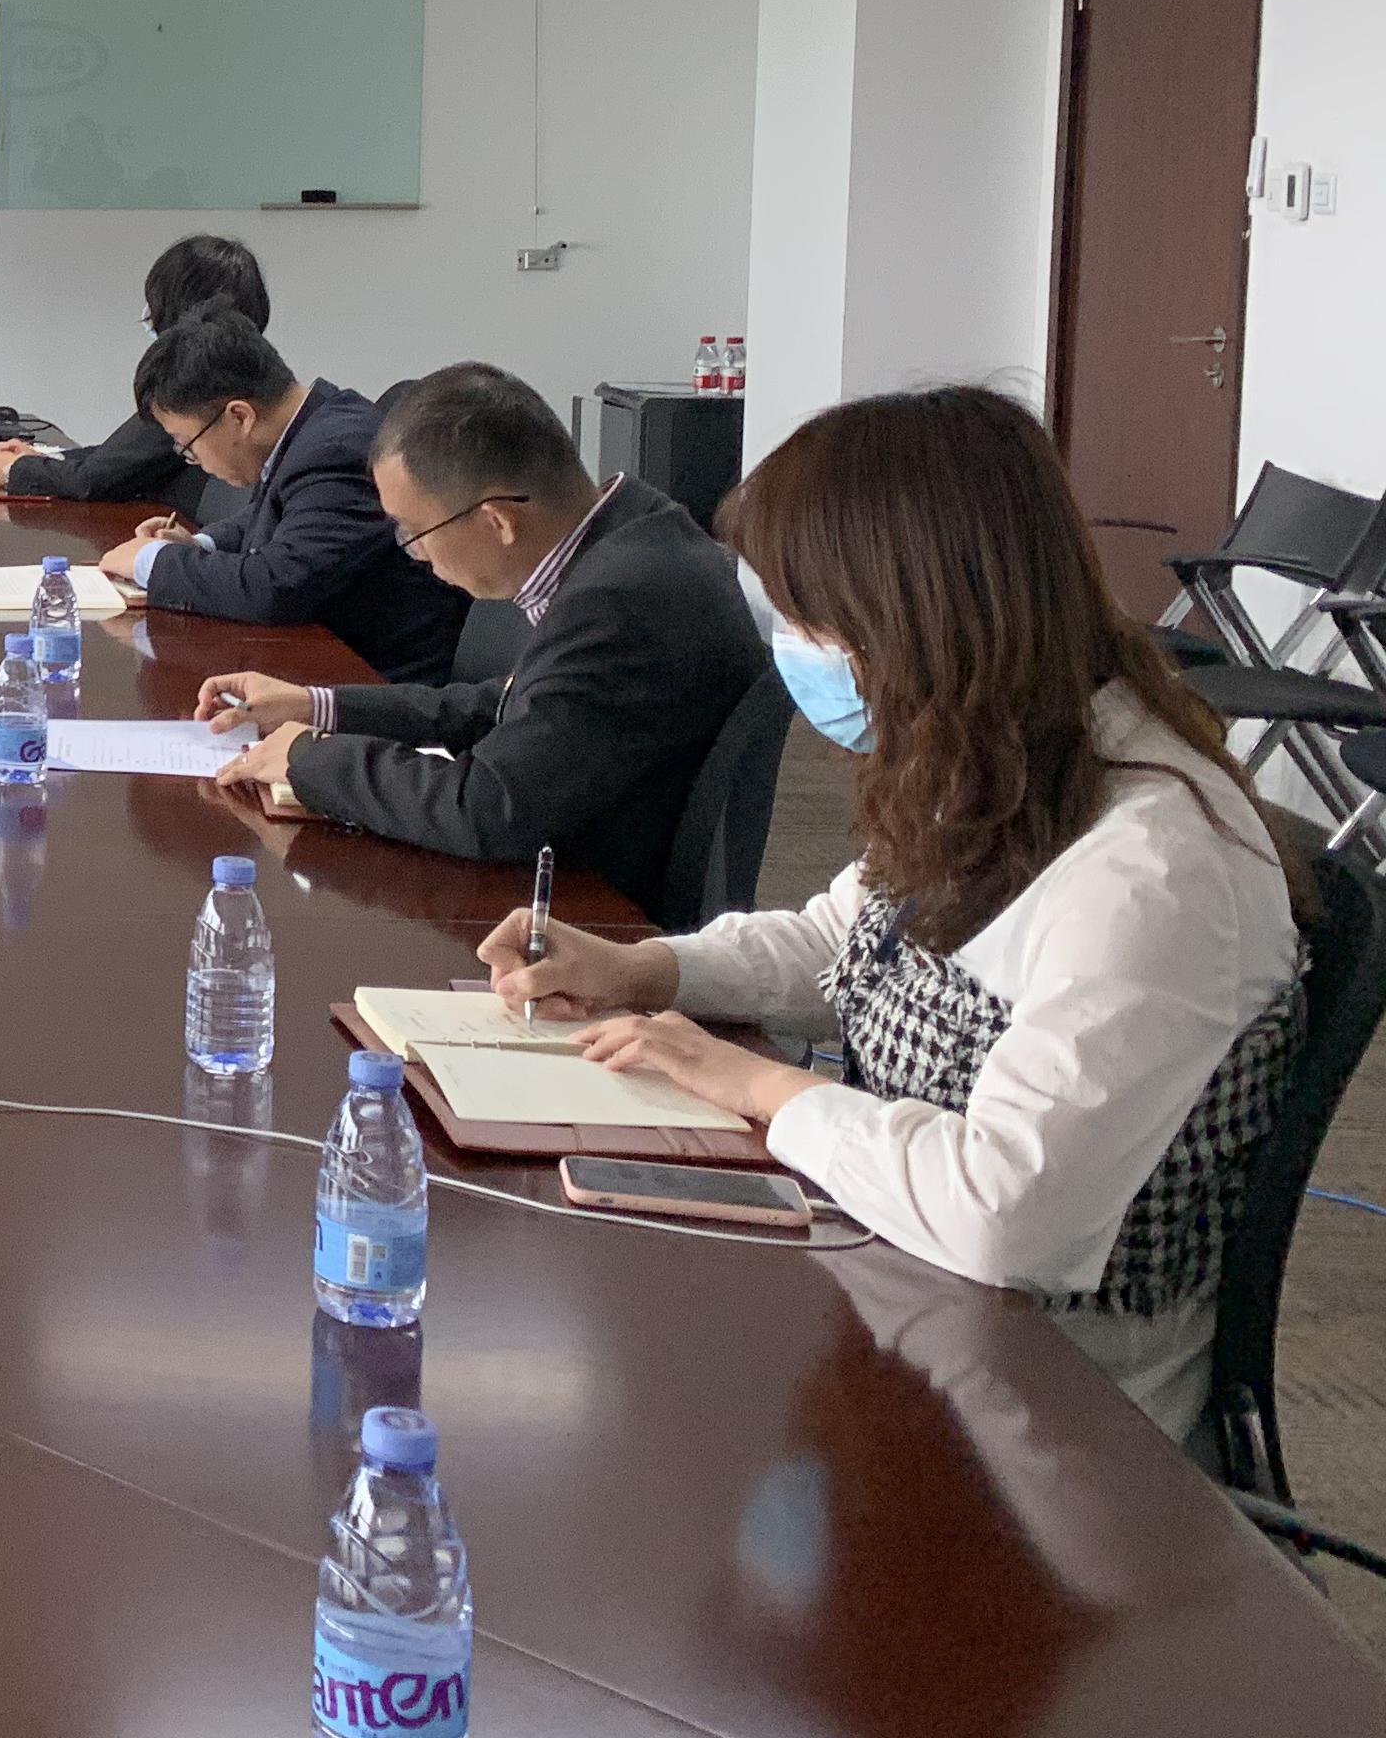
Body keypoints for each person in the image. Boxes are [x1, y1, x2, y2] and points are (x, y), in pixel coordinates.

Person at [487, 385, 1303, 1441]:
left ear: (915, 616)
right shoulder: (997, 756)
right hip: (905, 1292)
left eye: (811, 620)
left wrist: (761, 1086)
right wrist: (648, 969)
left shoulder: (1152, 869)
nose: (793, 647)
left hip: (1052, 1411)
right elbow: (848, 939)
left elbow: (1005, 1214)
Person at [198, 361, 767, 921]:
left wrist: (309, 757)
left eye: (414, 533)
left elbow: (486, 808)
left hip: (593, 914)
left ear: (497, 521)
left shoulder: (619, 604)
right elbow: (512, 700)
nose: (414, 554)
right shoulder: (634, 528)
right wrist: (317, 705)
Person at [94, 313, 465, 686]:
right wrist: (198, 544)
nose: (195, 460)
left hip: (372, 682)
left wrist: (153, 562)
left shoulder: (338, 450)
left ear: (240, 417)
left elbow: (275, 587)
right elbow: (269, 517)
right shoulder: (313, 426)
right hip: (320, 656)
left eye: (187, 444)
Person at [0, 234, 267, 513]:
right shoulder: (246, 371)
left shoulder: (195, 384)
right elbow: (121, 457)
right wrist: (44, 458)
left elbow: (94, 480)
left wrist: (12, 470)